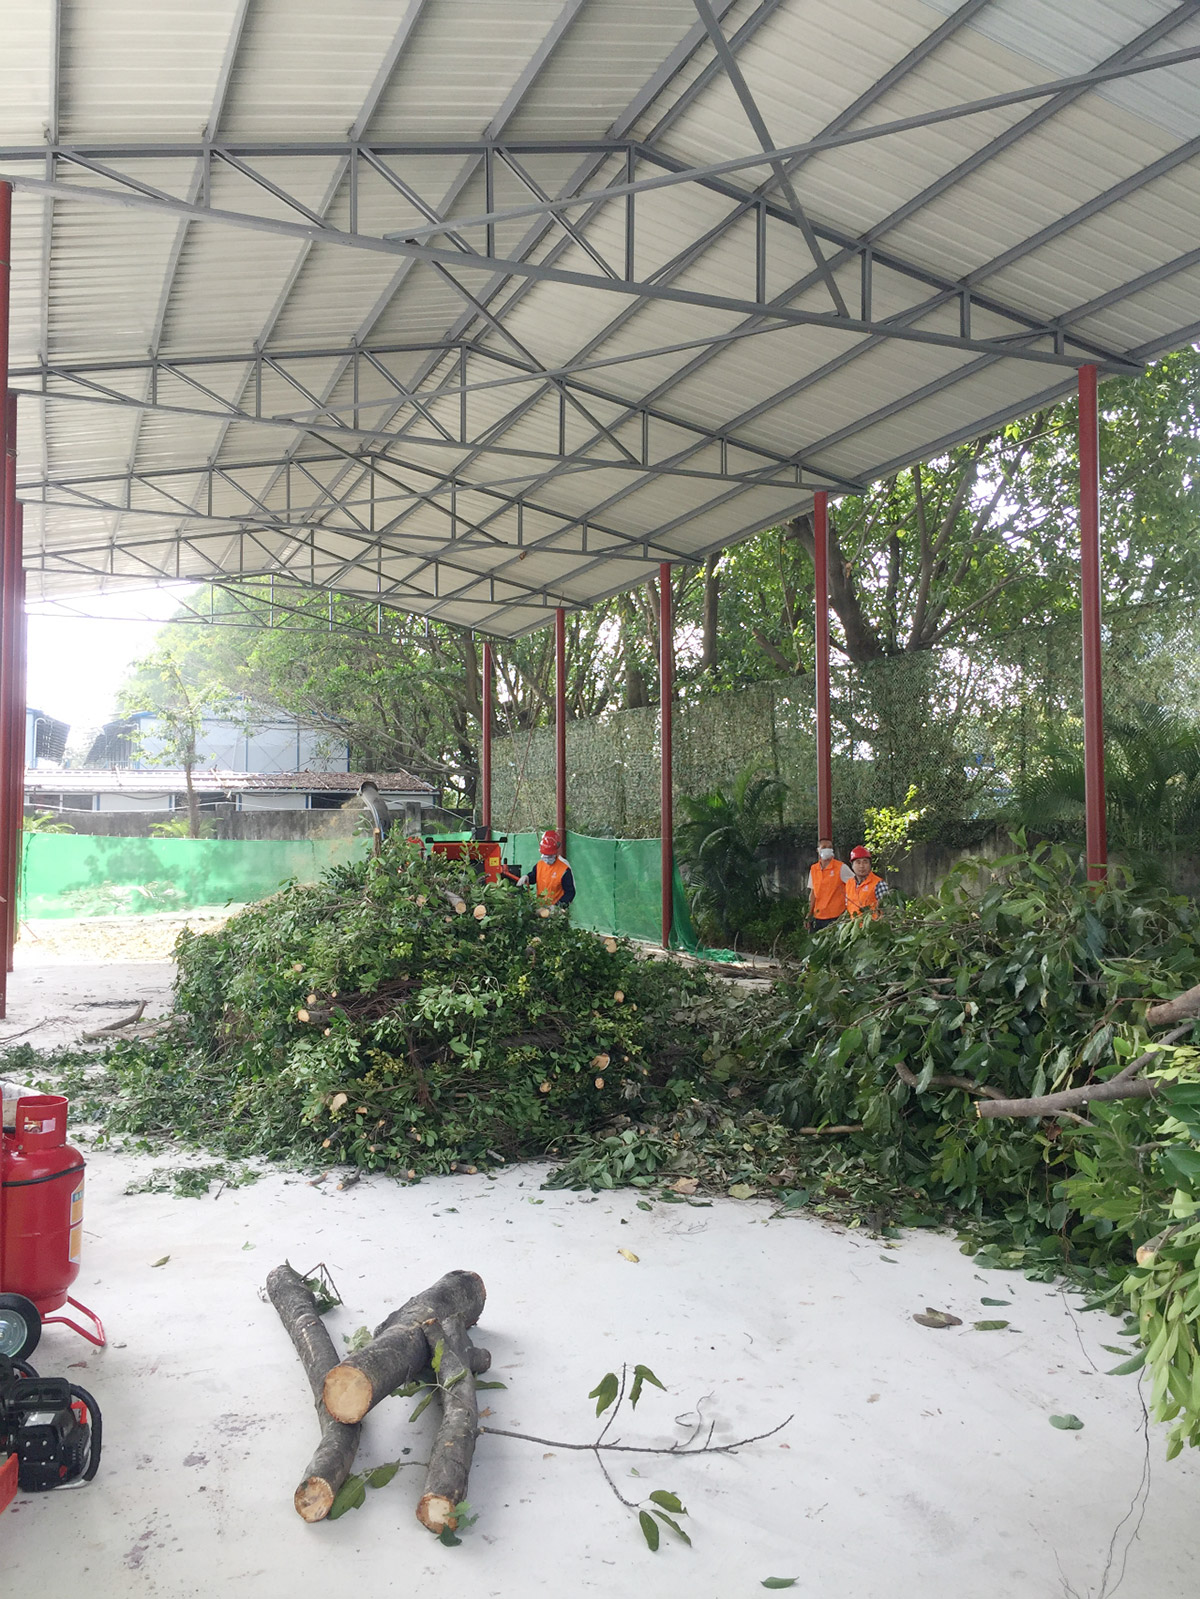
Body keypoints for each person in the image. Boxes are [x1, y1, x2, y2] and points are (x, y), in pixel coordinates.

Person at [518, 829, 576, 907]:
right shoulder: (540, 865)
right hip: (540, 908)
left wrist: (558, 906)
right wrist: (527, 877)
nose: (547, 859)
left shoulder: (564, 869)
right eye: (545, 856)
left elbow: (570, 892)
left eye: (550, 856)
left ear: (555, 853)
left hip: (556, 910)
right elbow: (534, 876)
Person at [808, 836, 852, 930]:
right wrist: (809, 914)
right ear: (818, 850)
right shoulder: (814, 869)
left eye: (830, 847)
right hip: (818, 917)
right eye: (824, 847)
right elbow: (813, 893)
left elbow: (855, 885)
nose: (827, 849)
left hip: (836, 917)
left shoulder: (841, 868)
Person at [845, 845, 889, 920]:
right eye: (858, 862)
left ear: (870, 864)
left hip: (873, 925)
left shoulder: (879, 884)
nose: (861, 866)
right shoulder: (849, 884)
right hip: (854, 925)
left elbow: (887, 910)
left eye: (865, 862)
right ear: (852, 865)